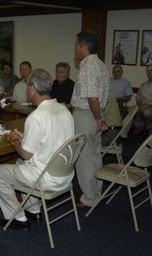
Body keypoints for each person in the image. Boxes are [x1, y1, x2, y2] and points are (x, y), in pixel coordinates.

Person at [0, 68, 74, 229]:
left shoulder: (36, 116)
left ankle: (18, 218)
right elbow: (52, 140)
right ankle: (34, 211)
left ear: (33, 89)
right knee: (20, 164)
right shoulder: (64, 110)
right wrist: (24, 139)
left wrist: (14, 140)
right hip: (65, 175)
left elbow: (27, 155)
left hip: (46, 178)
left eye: (28, 86)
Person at [71, 31, 109, 208]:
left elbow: (92, 97)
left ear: (84, 47)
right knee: (94, 156)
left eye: (76, 45)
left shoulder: (88, 66)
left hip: (87, 115)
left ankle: (89, 198)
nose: (75, 49)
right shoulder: (100, 64)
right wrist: (99, 117)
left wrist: (98, 118)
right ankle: (96, 192)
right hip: (94, 114)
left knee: (85, 158)